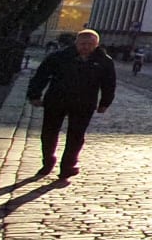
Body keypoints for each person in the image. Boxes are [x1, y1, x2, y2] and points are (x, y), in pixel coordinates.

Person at [26, 28, 116, 181]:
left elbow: (108, 84)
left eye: (89, 44)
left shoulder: (104, 61)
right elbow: (41, 76)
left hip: (84, 103)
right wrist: (34, 95)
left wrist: (105, 103)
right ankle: (48, 160)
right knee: (49, 132)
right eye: (82, 43)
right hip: (56, 99)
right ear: (76, 43)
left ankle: (68, 166)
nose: (85, 47)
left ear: (96, 45)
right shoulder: (59, 56)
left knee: (76, 136)